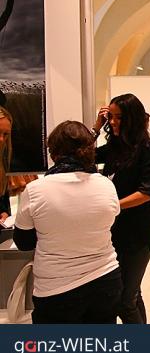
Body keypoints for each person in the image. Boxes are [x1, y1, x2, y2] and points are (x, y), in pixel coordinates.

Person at [13, 121, 122, 323]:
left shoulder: (36, 190)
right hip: (106, 280)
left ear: (53, 153)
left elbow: (23, 242)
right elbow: (108, 224)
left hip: (56, 288)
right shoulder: (106, 185)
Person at [92, 93, 150, 324]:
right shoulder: (115, 146)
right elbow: (83, 155)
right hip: (114, 233)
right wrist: (96, 128)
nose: (113, 122)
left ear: (132, 118)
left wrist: (113, 206)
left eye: (118, 117)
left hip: (137, 235)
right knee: (132, 295)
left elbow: (147, 191)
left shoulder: (146, 147)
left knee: (124, 301)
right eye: (110, 117)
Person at [0, 106, 13, 227]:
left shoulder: (3, 162)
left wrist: (4, 212)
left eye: (5, 134)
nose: (1, 139)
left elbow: (2, 200)